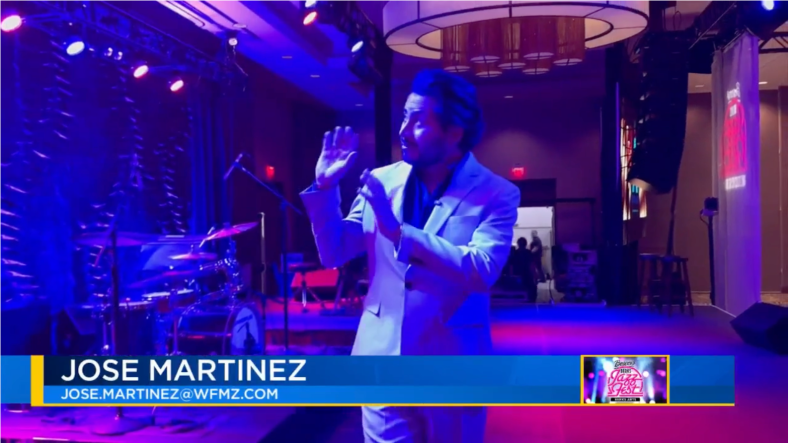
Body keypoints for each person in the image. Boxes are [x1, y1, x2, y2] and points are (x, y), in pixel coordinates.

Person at [300, 69, 520, 443]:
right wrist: (324, 187)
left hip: (454, 363)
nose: (403, 131)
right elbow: (335, 251)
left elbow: (482, 269)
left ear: (455, 132)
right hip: (381, 359)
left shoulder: (497, 193)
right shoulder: (381, 180)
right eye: (404, 116)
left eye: (418, 121)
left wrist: (401, 234)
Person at [514, 237, 537, 302]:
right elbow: (532, 265)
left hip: (518, 275)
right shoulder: (528, 253)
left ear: (518, 244)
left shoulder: (515, 253)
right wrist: (534, 275)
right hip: (527, 274)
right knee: (531, 290)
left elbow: (511, 266)